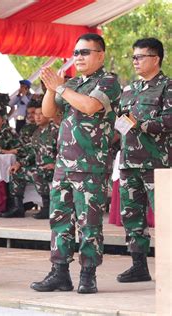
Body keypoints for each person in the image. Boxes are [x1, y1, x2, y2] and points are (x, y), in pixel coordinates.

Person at [31, 33, 121, 294]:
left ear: (100, 55)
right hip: (64, 164)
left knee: (89, 222)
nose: (78, 57)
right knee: (59, 219)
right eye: (76, 53)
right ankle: (59, 273)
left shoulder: (108, 81)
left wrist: (60, 88)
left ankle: (88, 274)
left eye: (85, 52)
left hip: (90, 165)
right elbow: (49, 113)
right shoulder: (73, 84)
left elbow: (91, 106)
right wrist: (51, 88)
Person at [116, 38, 171, 283]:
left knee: (165, 216)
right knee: (132, 216)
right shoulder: (129, 90)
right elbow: (120, 123)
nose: (135, 61)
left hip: (157, 164)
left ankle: (168, 265)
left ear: (156, 58)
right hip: (129, 163)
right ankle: (139, 265)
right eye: (134, 57)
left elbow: (169, 122)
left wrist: (142, 124)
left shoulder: (167, 87)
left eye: (140, 57)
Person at [4, 105, 58, 219]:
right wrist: (19, 163)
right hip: (39, 167)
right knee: (16, 172)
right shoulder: (37, 133)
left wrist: (56, 164)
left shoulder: (56, 131)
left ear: (48, 115)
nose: (37, 117)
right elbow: (33, 153)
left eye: (41, 114)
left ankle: (47, 207)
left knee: (36, 174)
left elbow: (66, 151)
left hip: (53, 169)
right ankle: (18, 208)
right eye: (36, 114)